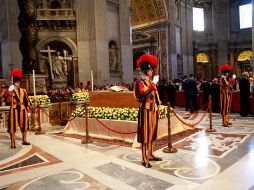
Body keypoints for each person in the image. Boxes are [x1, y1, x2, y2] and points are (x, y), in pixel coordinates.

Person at [134, 54, 162, 168]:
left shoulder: (150, 82)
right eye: (150, 70)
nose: (152, 72)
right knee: (145, 134)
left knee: (152, 134)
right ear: (146, 71)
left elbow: (156, 97)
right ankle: (143, 158)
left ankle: (150, 153)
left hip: (153, 110)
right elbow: (139, 96)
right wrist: (152, 85)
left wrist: (158, 108)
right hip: (145, 111)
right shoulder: (139, 82)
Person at [4, 68, 31, 148]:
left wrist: (28, 110)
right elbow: (6, 99)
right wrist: (8, 92)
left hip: (23, 109)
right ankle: (12, 142)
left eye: (18, 82)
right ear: (14, 83)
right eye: (16, 82)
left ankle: (24, 140)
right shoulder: (10, 90)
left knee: (25, 124)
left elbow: (26, 101)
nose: (18, 83)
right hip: (14, 108)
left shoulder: (23, 90)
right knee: (13, 126)